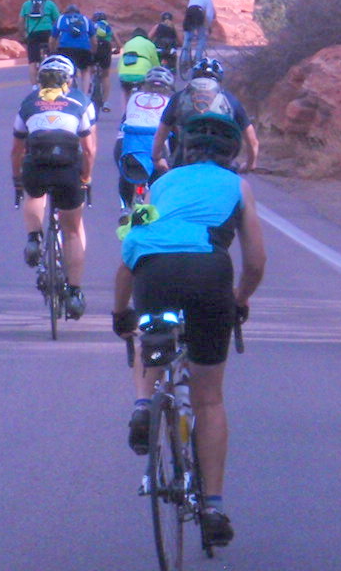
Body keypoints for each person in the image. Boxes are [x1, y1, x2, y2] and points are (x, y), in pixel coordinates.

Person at [112, 111, 267, 550]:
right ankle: (213, 506)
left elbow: (129, 255)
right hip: (208, 275)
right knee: (209, 397)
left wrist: (119, 313)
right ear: (231, 154)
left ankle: (144, 403)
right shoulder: (238, 187)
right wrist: (238, 300)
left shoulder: (159, 185)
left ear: (182, 151)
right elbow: (255, 261)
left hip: (153, 272)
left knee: (149, 333)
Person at [10, 54, 98, 320]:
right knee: (72, 230)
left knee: (33, 194)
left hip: (36, 166)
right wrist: (86, 178)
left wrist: (17, 180)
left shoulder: (28, 103)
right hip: (68, 171)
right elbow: (90, 149)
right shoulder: (82, 102)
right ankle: (73, 292)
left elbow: (16, 149)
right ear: (69, 79)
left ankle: (34, 239)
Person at [151, 57, 259, 177]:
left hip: (186, 157)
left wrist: (157, 158)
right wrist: (250, 164)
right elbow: (252, 141)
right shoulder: (230, 99)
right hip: (221, 157)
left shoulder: (178, 98)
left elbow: (160, 134)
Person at [116, 66, 174, 212]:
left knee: (124, 169)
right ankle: (155, 207)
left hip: (128, 144)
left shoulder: (134, 97)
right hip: (155, 146)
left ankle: (125, 207)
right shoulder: (170, 102)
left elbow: (124, 121)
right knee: (161, 175)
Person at [18, 0, 59, 73]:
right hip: (48, 33)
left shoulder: (26, 5)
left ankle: (34, 86)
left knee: (32, 62)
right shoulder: (50, 4)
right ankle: (52, 63)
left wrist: (23, 35)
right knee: (53, 53)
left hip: (32, 34)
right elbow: (57, 21)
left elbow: (21, 22)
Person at [54, 2, 94, 90]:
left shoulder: (61, 19)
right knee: (85, 70)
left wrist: (52, 50)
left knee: (66, 71)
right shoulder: (86, 19)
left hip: (65, 49)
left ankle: (67, 92)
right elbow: (93, 38)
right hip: (83, 48)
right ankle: (85, 95)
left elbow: (53, 38)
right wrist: (93, 51)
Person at [118, 26, 162, 104]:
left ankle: (126, 112)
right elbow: (155, 64)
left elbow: (120, 61)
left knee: (126, 92)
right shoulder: (149, 44)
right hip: (142, 74)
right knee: (146, 91)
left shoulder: (128, 43)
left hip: (124, 74)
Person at [181, 0, 217, 67]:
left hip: (189, 13)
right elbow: (208, 15)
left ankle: (184, 60)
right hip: (198, 13)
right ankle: (197, 60)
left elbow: (189, 7)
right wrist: (208, 27)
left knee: (187, 39)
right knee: (201, 38)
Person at [89, 10, 117, 97]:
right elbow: (118, 43)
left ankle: (89, 82)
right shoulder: (107, 27)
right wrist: (118, 49)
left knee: (88, 69)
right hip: (105, 48)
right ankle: (106, 102)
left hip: (93, 47)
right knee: (105, 75)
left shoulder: (91, 26)